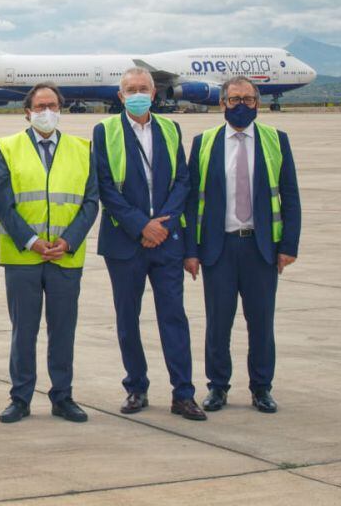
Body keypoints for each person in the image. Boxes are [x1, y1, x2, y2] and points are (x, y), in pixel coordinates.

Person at [184, 76, 302, 413]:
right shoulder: (204, 142)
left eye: (248, 100)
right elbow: (192, 202)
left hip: (260, 248)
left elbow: (290, 196)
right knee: (218, 323)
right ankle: (217, 387)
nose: (241, 105)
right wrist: (191, 251)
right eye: (234, 99)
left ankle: (261, 387)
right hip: (218, 248)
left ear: (257, 104)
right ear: (221, 104)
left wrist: (288, 246)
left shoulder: (276, 141)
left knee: (261, 323)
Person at [93, 68, 205, 421]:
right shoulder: (105, 130)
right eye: (131, 89)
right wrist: (141, 225)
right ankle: (136, 387)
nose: (138, 93)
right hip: (125, 242)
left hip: (166, 242)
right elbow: (105, 187)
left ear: (154, 93)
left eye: (144, 88)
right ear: (121, 95)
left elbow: (183, 182)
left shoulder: (171, 128)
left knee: (173, 317)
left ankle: (183, 393)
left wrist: (162, 226)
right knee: (128, 318)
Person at [0, 82, 99, 424]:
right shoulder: (8, 148)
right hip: (23, 256)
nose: (46, 112)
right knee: (24, 330)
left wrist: (69, 241)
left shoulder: (82, 149)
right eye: (39, 107)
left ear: (61, 109)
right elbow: (3, 203)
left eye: (52, 105)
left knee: (63, 328)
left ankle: (62, 396)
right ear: (28, 112)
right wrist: (31, 241)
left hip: (65, 256)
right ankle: (20, 397)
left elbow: (90, 201)